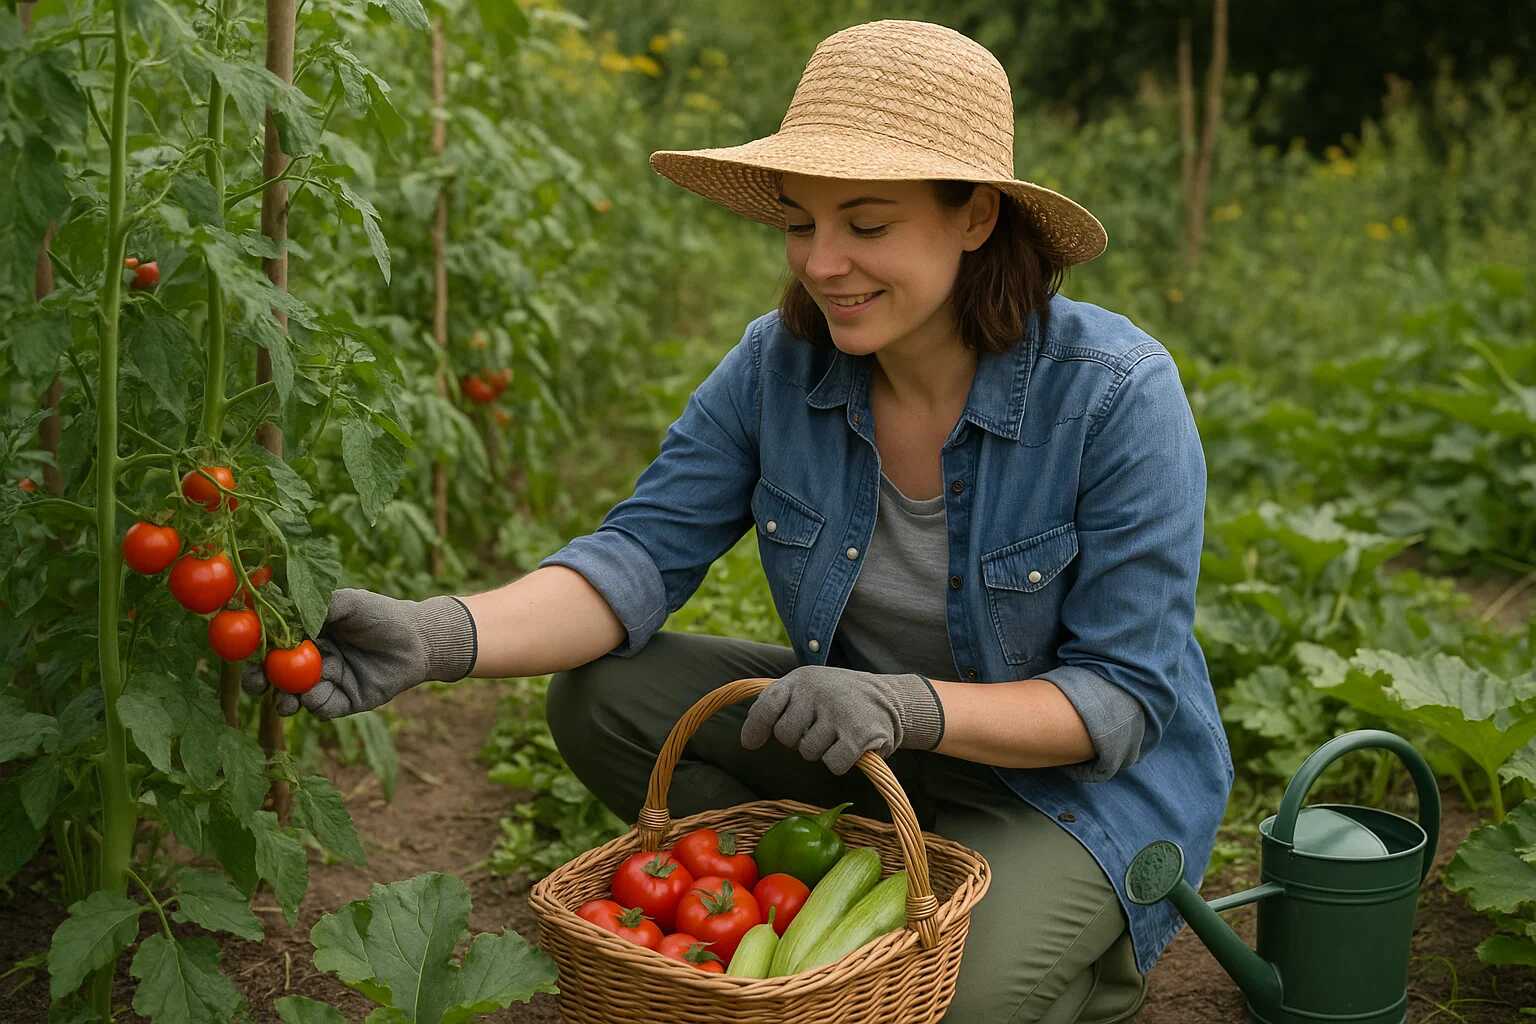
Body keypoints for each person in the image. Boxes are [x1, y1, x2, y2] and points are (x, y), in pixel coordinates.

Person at [245, 19, 1233, 1023]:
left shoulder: (1113, 395)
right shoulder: (780, 367)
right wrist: (437, 635)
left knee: (944, 1009)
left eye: (868, 224)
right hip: (878, 752)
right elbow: (636, 555)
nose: (822, 261)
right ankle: (845, 895)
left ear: (975, 217)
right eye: (801, 222)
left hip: (1070, 792)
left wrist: (907, 703)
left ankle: (1081, 955)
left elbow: (1118, 700)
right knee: (606, 695)